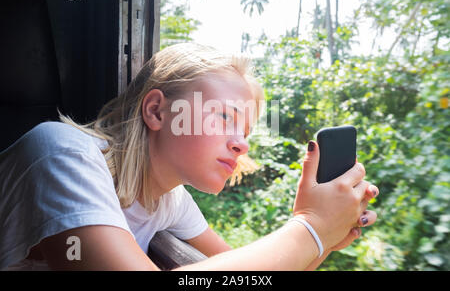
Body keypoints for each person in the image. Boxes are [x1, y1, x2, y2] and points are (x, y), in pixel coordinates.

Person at [0, 43, 378, 271]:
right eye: (226, 119)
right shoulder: (62, 153)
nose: (242, 144)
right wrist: (309, 226)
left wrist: (327, 233)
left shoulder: (170, 200)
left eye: (245, 133)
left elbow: (247, 268)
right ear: (157, 112)